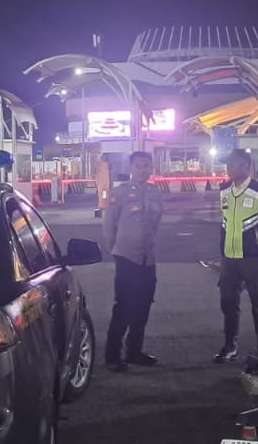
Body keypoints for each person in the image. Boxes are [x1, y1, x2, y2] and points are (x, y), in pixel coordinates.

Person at [101, 151, 164, 372]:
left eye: (146, 165)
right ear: (131, 168)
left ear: (151, 168)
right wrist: (115, 249)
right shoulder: (119, 193)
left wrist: (147, 241)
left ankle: (134, 351)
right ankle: (112, 356)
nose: (142, 170)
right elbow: (109, 225)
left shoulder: (155, 192)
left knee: (143, 306)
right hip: (127, 256)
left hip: (148, 258)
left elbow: (156, 221)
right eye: (138, 165)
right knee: (123, 307)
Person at [214, 149, 258, 363]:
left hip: (252, 258)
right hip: (229, 258)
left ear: (247, 166)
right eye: (228, 164)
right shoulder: (224, 190)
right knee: (228, 302)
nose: (229, 169)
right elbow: (224, 221)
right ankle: (230, 345)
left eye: (234, 164)